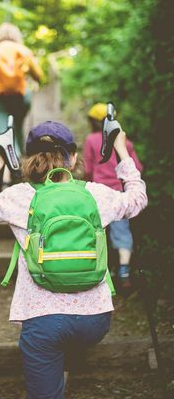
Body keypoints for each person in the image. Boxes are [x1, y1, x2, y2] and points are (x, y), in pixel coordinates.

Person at [0, 120, 147, 398]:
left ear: (27, 159)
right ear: (73, 157)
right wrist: (121, 151)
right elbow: (137, 200)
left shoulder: (18, 197)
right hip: (95, 320)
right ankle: (63, 366)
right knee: (68, 341)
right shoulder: (95, 193)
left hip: (43, 321)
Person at [84, 103, 143, 287]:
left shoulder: (91, 140)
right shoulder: (124, 141)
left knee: (97, 230)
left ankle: (101, 269)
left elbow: (87, 168)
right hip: (119, 192)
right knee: (122, 230)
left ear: (93, 121)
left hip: (98, 193)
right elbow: (137, 168)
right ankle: (124, 270)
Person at [0, 22, 44, 158]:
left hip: (0, 95)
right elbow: (38, 75)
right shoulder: (24, 51)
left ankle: (11, 160)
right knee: (18, 125)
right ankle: (21, 157)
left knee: (3, 130)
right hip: (22, 95)